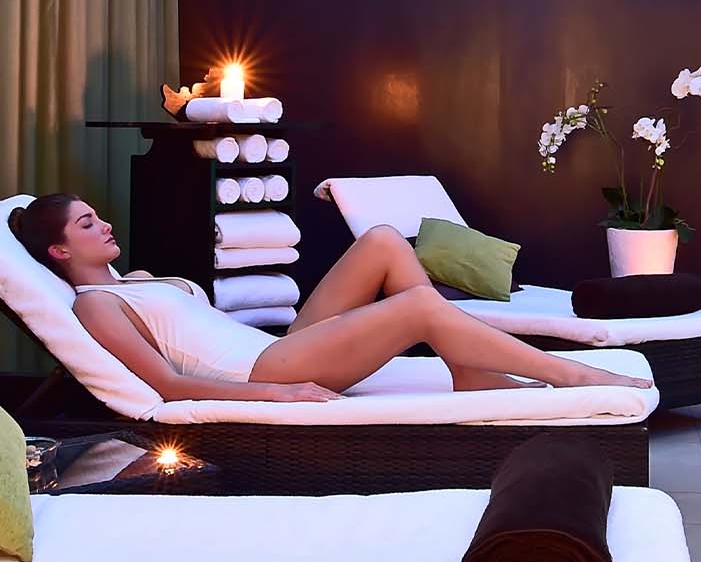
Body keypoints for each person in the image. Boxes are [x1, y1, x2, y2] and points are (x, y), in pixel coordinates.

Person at [7, 193, 651, 403]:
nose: (105, 225)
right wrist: (280, 395)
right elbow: (169, 386)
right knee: (419, 309)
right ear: (58, 252)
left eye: (98, 216)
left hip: (276, 348)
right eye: (86, 224)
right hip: (268, 371)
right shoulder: (94, 305)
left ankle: (469, 370)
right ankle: (570, 371)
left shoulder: (133, 283)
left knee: (381, 242)